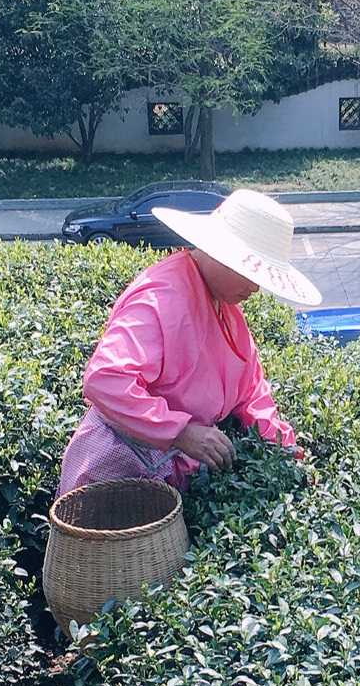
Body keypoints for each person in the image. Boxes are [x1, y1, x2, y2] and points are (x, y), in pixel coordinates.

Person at [58, 189, 321, 496]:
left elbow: (252, 392)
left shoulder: (225, 307)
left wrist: (288, 453)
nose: (255, 287)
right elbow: (106, 379)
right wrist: (180, 431)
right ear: (218, 251)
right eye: (249, 272)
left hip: (165, 478)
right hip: (113, 474)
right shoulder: (162, 297)